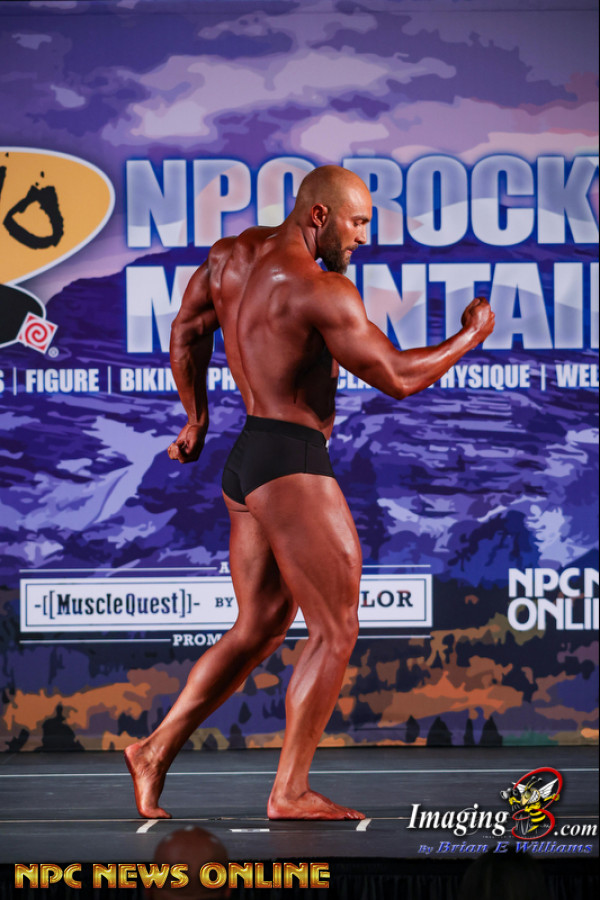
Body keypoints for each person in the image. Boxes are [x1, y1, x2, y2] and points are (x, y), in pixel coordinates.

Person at [125, 165, 494, 821]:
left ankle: (152, 751)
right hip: (290, 461)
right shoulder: (321, 290)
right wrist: (473, 334)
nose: (362, 239)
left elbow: (186, 330)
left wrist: (196, 418)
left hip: (247, 457)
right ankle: (290, 791)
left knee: (259, 627)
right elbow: (399, 377)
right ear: (319, 216)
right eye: (357, 223)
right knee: (336, 628)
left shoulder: (229, 257)